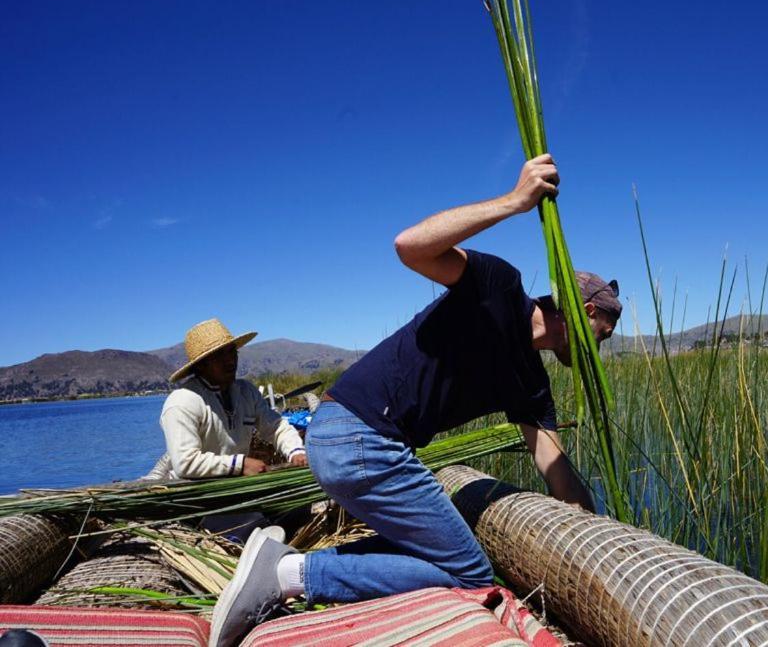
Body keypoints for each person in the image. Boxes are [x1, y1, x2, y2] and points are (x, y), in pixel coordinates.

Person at [209, 155, 621, 647]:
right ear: (586, 309)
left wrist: (603, 536)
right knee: (470, 572)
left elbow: (555, 466)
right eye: (604, 333)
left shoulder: (530, 380)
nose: (601, 348)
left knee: (434, 550)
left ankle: (286, 565)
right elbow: (410, 246)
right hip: (359, 436)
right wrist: (515, 202)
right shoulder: (501, 288)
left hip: (352, 442)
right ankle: (291, 574)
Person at [149, 318, 309, 480]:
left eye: (232, 352)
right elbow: (185, 463)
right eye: (219, 356)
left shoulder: (246, 392)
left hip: (236, 484)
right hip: (191, 495)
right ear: (201, 365)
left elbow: (275, 427)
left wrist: (296, 451)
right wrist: (241, 465)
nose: (230, 360)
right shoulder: (183, 402)